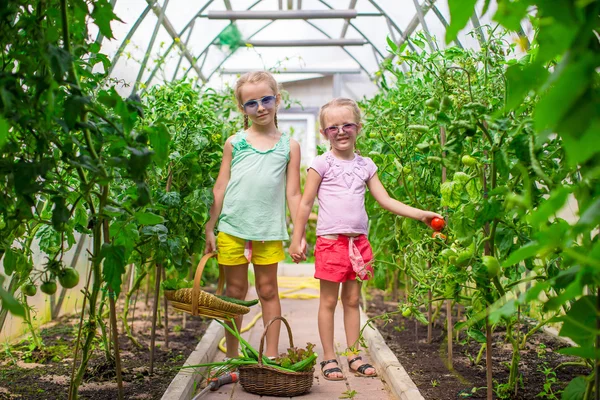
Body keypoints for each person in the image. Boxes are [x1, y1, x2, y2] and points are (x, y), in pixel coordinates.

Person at [288, 98, 443, 380]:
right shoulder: (321, 164)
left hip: (358, 244)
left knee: (352, 300)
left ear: (358, 127)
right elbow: (305, 203)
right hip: (331, 243)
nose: (341, 131)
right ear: (324, 133)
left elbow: (384, 200)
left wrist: (420, 214)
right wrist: (297, 238)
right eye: (333, 127)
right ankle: (328, 357)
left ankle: (353, 354)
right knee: (328, 302)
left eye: (347, 124)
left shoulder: (366, 165)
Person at [204, 71, 304, 359]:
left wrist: (299, 235)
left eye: (266, 99)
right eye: (251, 103)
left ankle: (271, 356)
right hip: (232, 228)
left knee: (268, 290)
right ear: (242, 108)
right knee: (234, 291)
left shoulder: (289, 146)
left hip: (268, 230)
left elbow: (294, 195)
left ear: (277, 100)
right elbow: (220, 186)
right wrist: (211, 228)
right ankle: (232, 358)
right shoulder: (234, 143)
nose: (260, 107)